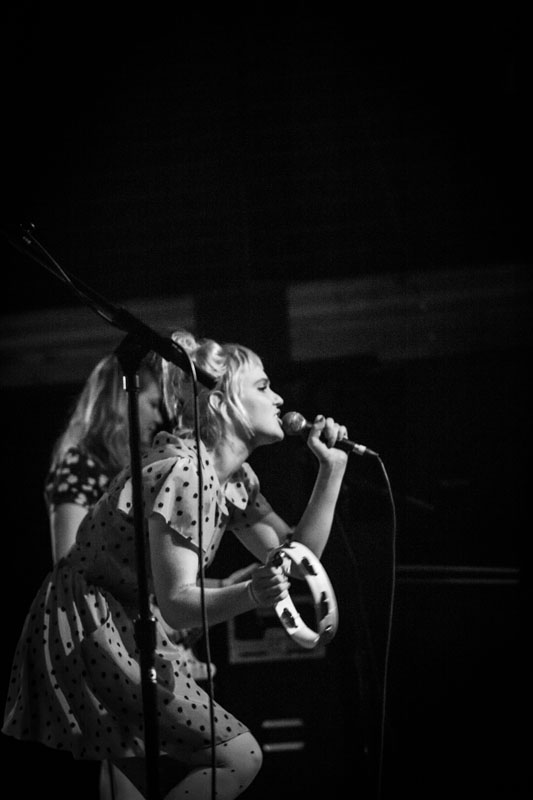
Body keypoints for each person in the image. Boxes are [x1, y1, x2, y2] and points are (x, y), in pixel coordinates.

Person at [3, 328, 349, 800]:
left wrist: (331, 472)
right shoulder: (186, 471)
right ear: (221, 403)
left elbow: (296, 559)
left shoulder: (235, 479)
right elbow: (178, 604)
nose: (280, 398)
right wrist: (251, 593)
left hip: (122, 621)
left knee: (129, 783)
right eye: (264, 386)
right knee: (238, 755)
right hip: (94, 621)